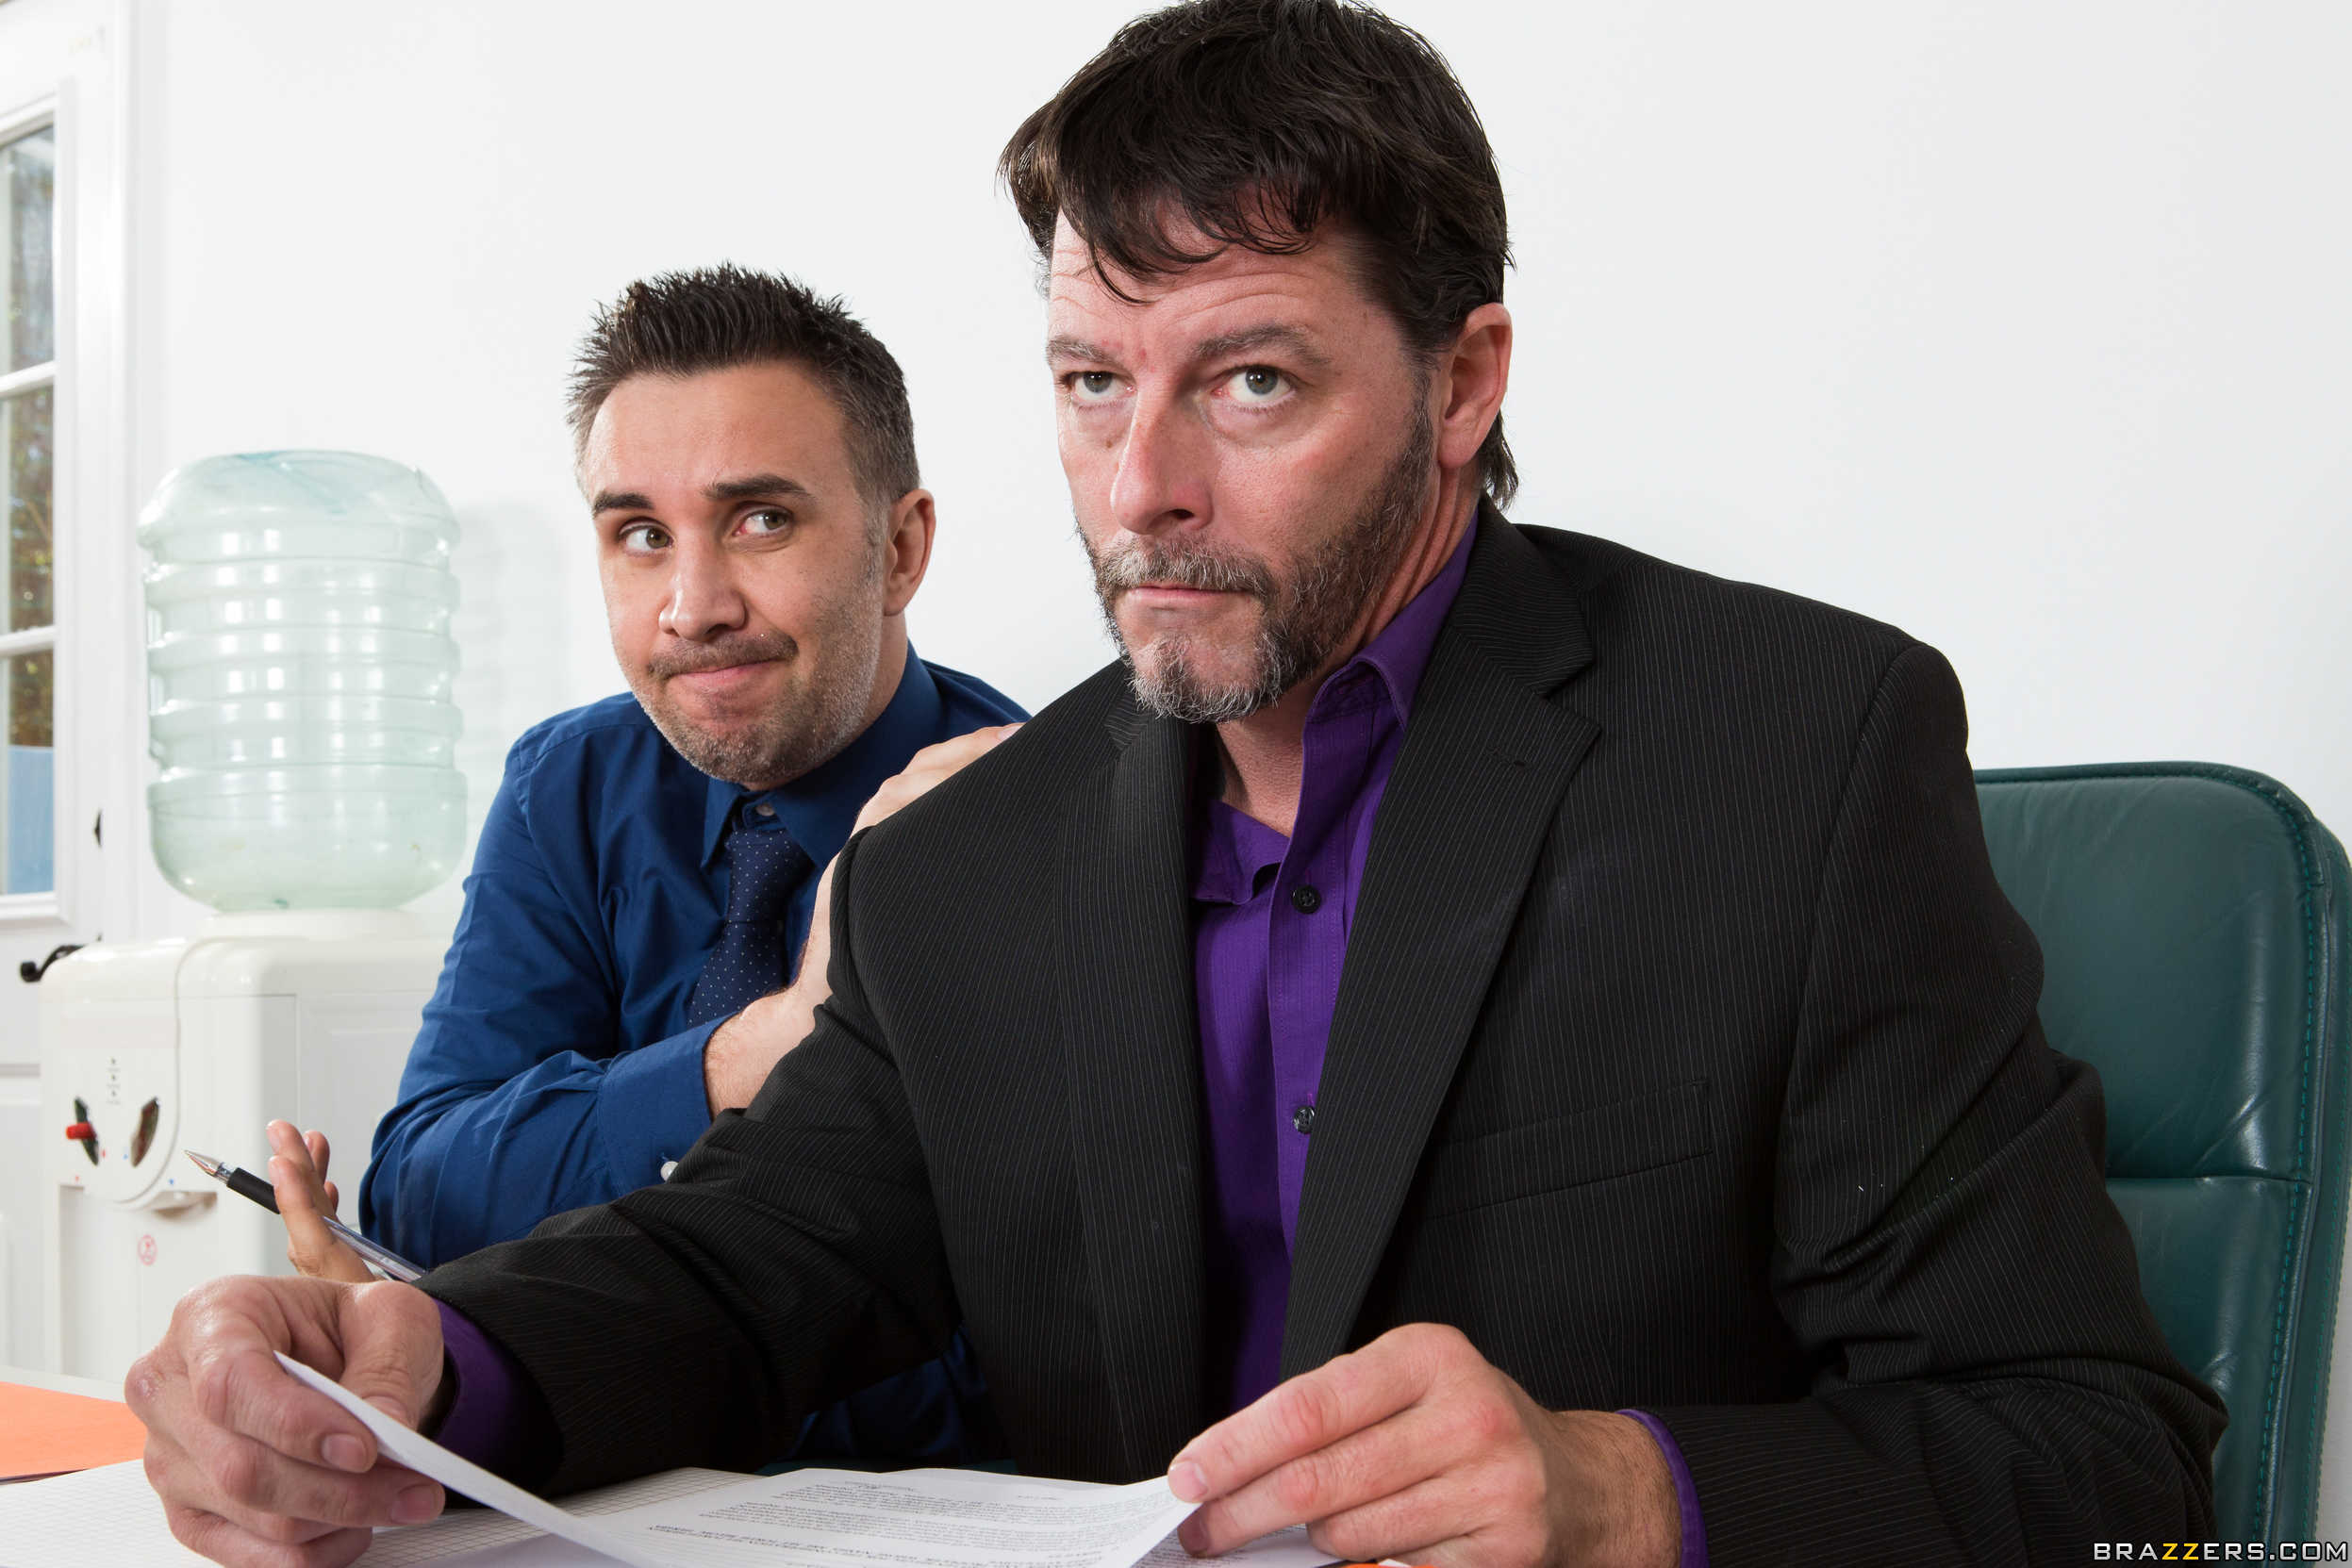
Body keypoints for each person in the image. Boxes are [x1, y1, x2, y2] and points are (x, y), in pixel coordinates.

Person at [126, 4, 2223, 1564]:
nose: (1138, 489)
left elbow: (2103, 1458)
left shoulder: (1794, 751)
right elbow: (743, 1265)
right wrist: (428, 1367)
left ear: (1462, 381)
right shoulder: (968, 854)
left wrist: (1619, 1489)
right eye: (1087, 383)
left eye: (1250, 380)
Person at [256, 263, 1024, 1462]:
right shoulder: (568, 786)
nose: (692, 605)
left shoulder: (1026, 820)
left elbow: (1011, 1354)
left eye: (760, 519)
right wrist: (742, 1057)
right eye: (641, 536)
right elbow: (420, 1184)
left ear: (900, 548)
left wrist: (491, 1316)